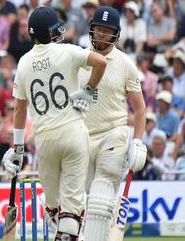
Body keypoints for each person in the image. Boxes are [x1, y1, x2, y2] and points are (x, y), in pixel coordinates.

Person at [2, 6, 107, 241]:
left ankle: (66, 229)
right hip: (73, 133)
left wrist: (18, 148)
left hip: (44, 139)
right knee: (71, 208)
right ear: (50, 32)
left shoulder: (23, 63)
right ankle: (69, 231)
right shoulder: (67, 51)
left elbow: (20, 109)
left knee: (52, 207)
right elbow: (101, 62)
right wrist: (89, 90)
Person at [77, 6, 147, 241]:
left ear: (116, 34)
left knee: (100, 199)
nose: (101, 35)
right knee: (80, 202)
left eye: (107, 31)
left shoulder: (126, 64)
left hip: (113, 135)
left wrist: (137, 140)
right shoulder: (78, 58)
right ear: (91, 29)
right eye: (98, 29)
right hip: (82, 137)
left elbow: (140, 108)